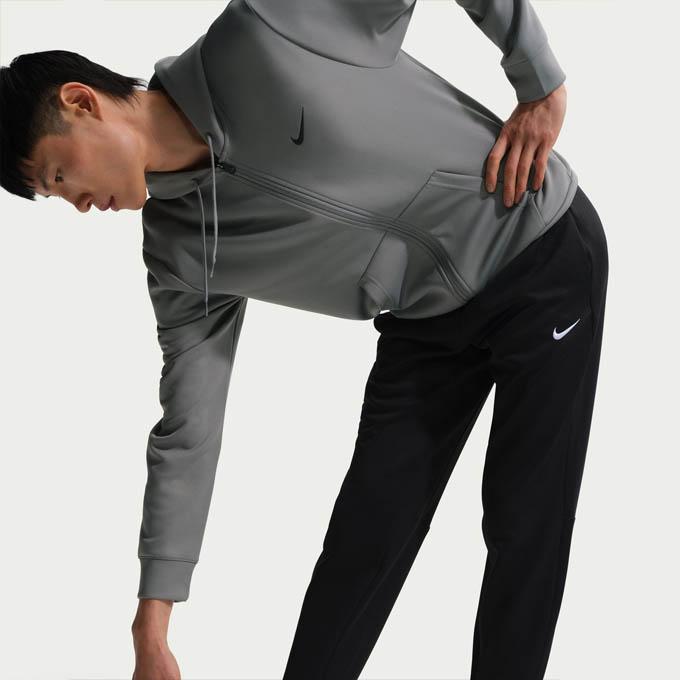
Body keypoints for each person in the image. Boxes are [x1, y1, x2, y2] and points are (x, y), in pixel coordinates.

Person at [0, 0, 608, 678]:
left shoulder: (265, 29)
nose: (79, 204)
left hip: (536, 245)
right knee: (365, 539)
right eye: (58, 198)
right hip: (427, 323)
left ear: (81, 102)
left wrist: (538, 78)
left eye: (59, 176)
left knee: (524, 524)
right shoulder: (179, 254)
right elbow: (189, 431)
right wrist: (153, 622)